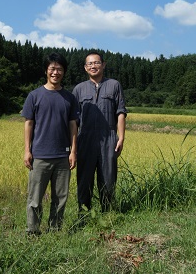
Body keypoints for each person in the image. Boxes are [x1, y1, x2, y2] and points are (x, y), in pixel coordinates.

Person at [22, 52, 78, 235]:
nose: (56, 72)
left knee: (60, 198)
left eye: (59, 69)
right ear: (46, 71)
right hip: (40, 156)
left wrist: (73, 152)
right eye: (52, 68)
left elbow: (73, 126)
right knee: (35, 198)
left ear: (64, 72)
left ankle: (55, 230)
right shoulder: (34, 95)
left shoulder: (70, 98)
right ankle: (33, 231)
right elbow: (28, 123)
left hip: (63, 156)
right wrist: (27, 151)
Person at [72, 51, 127, 214]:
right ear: (85, 68)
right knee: (84, 179)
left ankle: (108, 214)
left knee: (108, 179)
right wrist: (73, 146)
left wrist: (121, 137)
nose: (93, 66)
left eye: (96, 63)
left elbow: (121, 112)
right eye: (89, 63)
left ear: (103, 65)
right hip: (85, 139)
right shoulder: (79, 89)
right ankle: (84, 214)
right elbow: (73, 121)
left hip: (109, 137)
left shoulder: (114, 85)